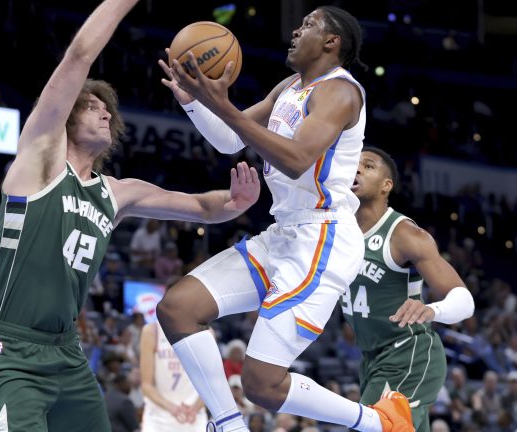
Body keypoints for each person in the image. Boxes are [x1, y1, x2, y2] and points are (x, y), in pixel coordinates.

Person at [0, 1, 261, 431]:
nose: (106, 112)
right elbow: (80, 55)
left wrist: (233, 203)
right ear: (66, 116)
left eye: (109, 110)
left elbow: (200, 206)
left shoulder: (116, 193)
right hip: (8, 347)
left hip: (66, 351)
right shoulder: (39, 159)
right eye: (92, 106)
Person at [157, 6, 412, 432]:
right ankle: (227, 424)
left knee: (261, 384)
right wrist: (197, 104)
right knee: (178, 308)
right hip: (283, 233)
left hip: (323, 239)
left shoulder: (341, 93)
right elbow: (228, 140)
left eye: (309, 24)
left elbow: (295, 160)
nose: (296, 30)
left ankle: (380, 422)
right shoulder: (289, 87)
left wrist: (224, 105)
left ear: (332, 42)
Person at [343, 147, 475, 432]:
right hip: (371, 358)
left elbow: (464, 300)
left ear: (385, 186)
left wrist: (432, 309)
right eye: (352, 164)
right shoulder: (336, 229)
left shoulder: (403, 234)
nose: (356, 169)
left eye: (367, 166)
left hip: (407, 353)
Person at [139, 321, 208, 431]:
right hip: (158, 418)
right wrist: (172, 408)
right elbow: (146, 385)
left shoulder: (205, 332)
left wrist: (195, 407)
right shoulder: (152, 331)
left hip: (194, 417)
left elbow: (211, 383)